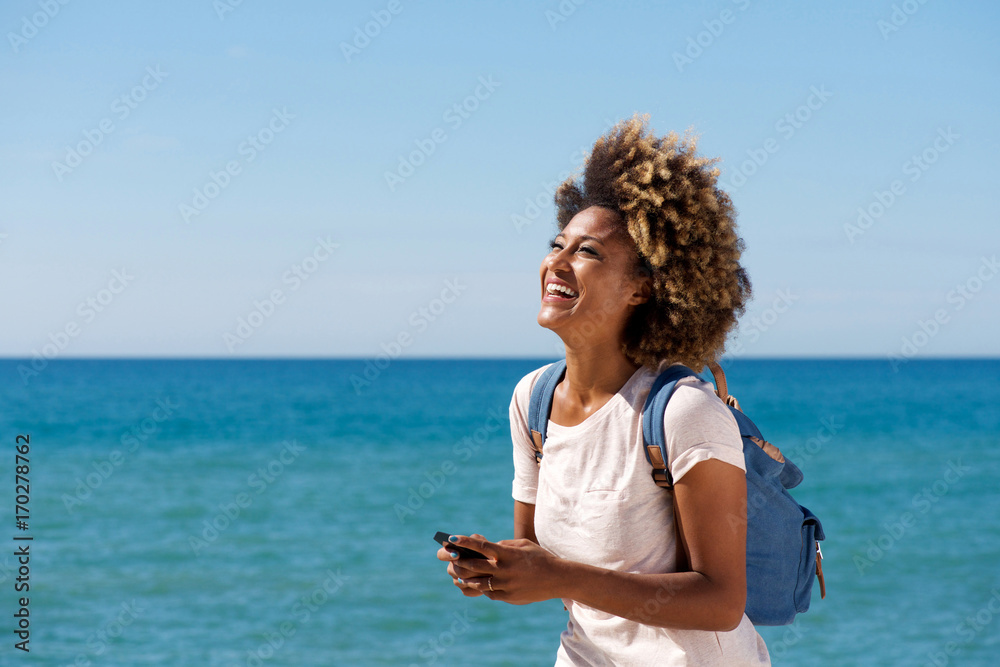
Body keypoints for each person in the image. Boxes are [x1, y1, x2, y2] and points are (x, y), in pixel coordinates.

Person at [437, 115, 770, 665]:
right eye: (557, 244)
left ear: (642, 287)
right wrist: (495, 568)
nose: (556, 264)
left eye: (587, 252)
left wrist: (560, 576)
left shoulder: (682, 412)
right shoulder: (533, 400)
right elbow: (537, 557)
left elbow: (721, 602)